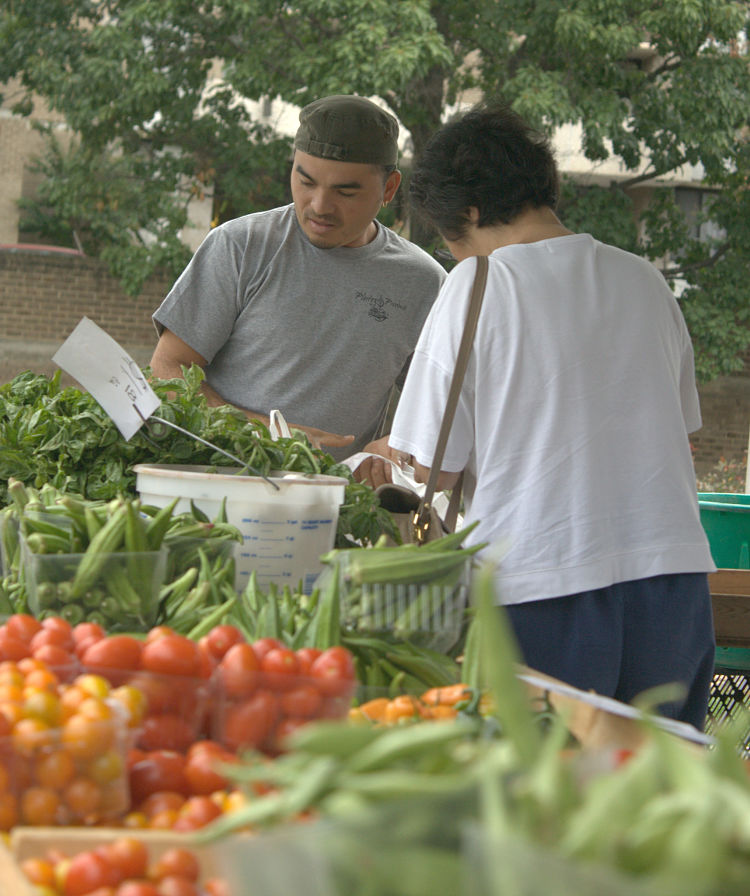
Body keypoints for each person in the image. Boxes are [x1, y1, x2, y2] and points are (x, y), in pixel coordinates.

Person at [381, 100, 716, 730]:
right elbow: (677, 435)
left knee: (547, 802)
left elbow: (433, 469)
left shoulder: (477, 283)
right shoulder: (646, 281)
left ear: (471, 212)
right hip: (671, 585)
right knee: (660, 801)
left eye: (451, 234)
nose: (454, 252)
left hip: (540, 584)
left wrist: (382, 457)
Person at [150, 95, 446, 459]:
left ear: (389, 189)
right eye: (306, 182)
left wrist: (400, 445)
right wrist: (266, 433)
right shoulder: (241, 246)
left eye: (345, 191)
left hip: (333, 505)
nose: (319, 205)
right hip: (220, 482)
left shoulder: (423, 282)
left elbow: (439, 406)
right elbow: (167, 369)